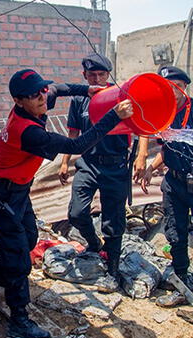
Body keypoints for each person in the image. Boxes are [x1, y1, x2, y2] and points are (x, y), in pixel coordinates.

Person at [0, 68, 133, 338]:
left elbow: (58, 89)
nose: (42, 97)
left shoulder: (34, 103)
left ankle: (1, 275)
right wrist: (114, 116)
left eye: (41, 90)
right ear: (18, 101)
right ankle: (19, 319)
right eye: (33, 95)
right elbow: (77, 146)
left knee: (28, 238)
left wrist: (85, 90)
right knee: (19, 260)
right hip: (0, 195)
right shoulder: (27, 132)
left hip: (17, 191)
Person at [139, 66, 193, 319]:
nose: (170, 92)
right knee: (175, 236)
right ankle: (181, 285)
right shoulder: (164, 113)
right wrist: (150, 169)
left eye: (174, 87)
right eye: (165, 87)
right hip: (175, 184)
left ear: (183, 87)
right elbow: (167, 149)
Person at [58, 53, 150, 277]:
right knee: (77, 213)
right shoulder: (80, 99)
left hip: (116, 166)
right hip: (88, 164)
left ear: (108, 75)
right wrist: (64, 162)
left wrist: (142, 155)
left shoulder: (120, 96)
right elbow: (73, 132)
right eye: (92, 75)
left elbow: (142, 125)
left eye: (102, 74)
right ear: (85, 76)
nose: (97, 79)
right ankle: (94, 243)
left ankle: (113, 265)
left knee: (114, 219)